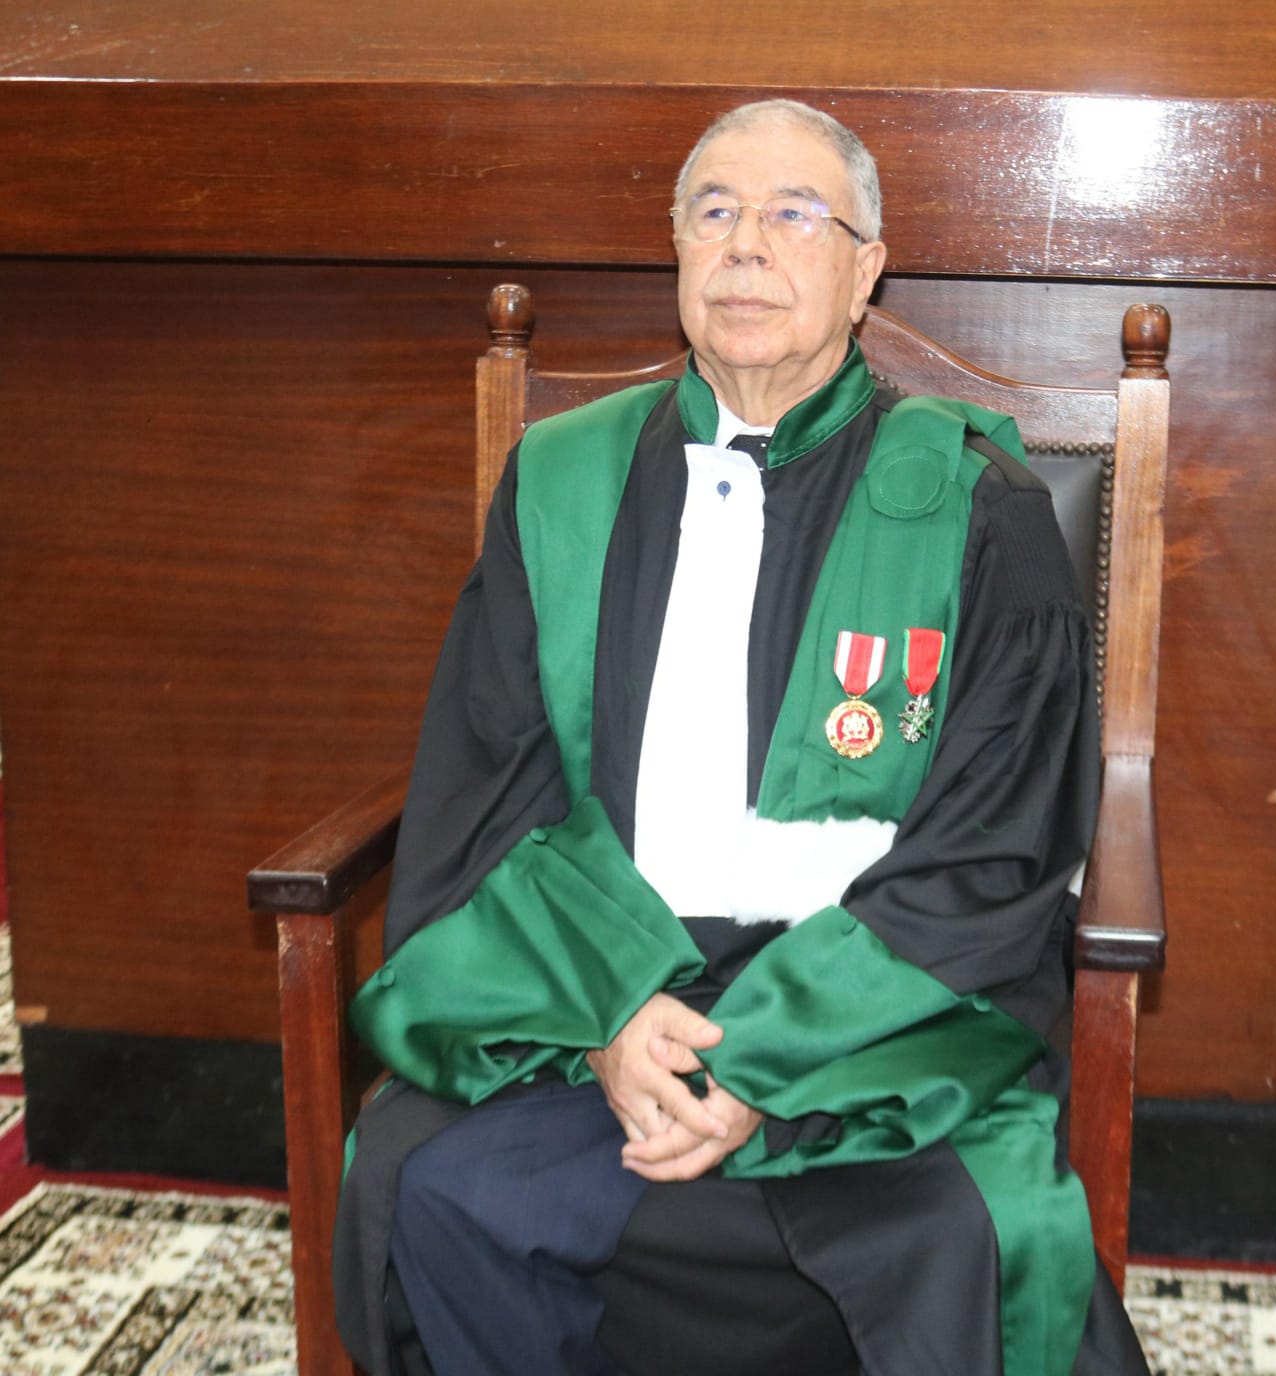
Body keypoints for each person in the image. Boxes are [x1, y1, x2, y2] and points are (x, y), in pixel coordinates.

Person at [333, 99, 1152, 1376]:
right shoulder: (558, 483)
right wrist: (609, 1016)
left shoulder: (979, 509)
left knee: (965, 1233)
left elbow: (996, 845)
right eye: (713, 211)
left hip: (874, 1017)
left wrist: (762, 1057)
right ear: (674, 248)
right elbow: (490, 793)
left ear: (866, 270)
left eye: (794, 214)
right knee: (422, 1179)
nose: (746, 244)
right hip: (602, 993)